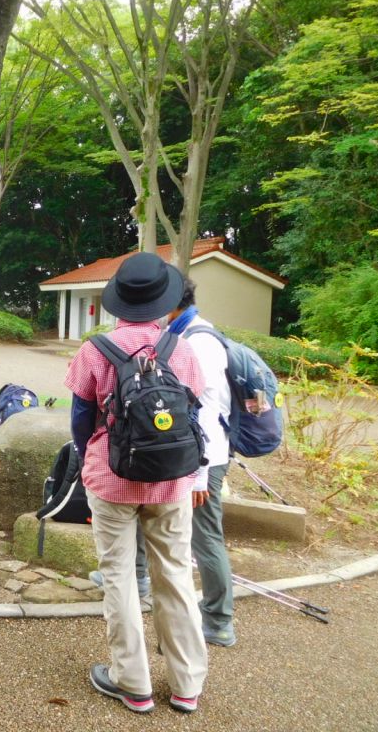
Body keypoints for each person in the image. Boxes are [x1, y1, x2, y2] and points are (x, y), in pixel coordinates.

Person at [65, 252, 207, 715]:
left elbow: (80, 420)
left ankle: (133, 682)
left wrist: (96, 454)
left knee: (120, 579)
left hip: (112, 482)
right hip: (171, 482)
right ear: (162, 301)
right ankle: (186, 684)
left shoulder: (95, 349)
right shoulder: (181, 350)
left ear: (118, 302)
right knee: (176, 575)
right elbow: (192, 415)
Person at [166, 278, 236, 647]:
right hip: (191, 453)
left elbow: (202, 412)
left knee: (205, 536)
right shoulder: (188, 333)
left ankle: (219, 620)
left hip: (205, 458)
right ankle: (142, 576)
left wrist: (199, 473)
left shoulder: (200, 342)